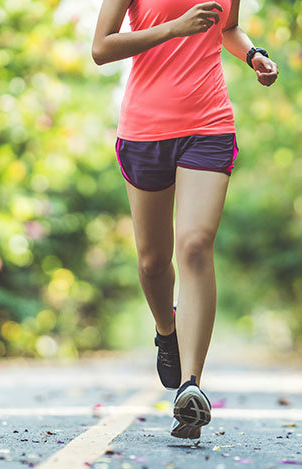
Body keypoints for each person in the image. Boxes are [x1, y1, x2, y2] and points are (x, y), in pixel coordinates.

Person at [91, 0, 278, 439]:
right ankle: (166, 329)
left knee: (194, 245)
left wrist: (252, 54)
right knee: (153, 263)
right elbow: (101, 48)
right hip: (145, 130)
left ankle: (191, 388)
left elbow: (226, 29)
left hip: (208, 124)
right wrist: (174, 28)